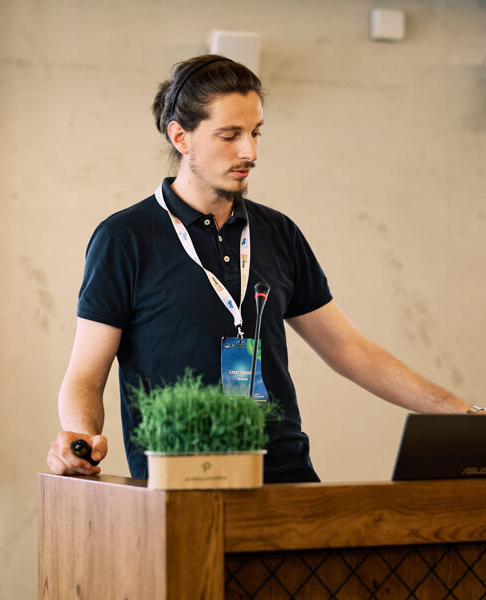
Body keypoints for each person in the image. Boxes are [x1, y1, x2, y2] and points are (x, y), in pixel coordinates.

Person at [47, 55, 484, 482]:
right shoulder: (124, 238)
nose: (250, 151)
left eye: (255, 132)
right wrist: (80, 438)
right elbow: (85, 375)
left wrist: (467, 416)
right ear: (181, 137)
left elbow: (351, 351)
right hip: (180, 483)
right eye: (229, 135)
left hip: (286, 478)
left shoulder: (279, 232)